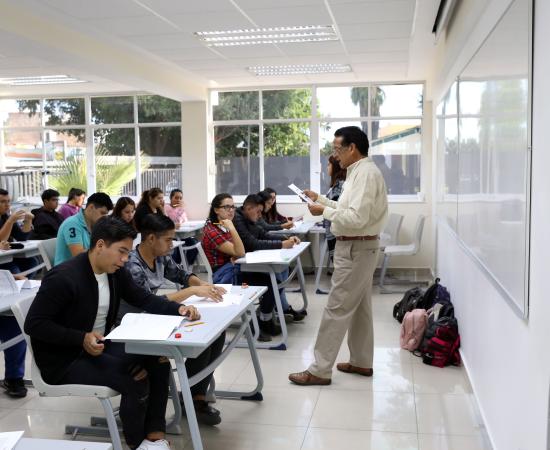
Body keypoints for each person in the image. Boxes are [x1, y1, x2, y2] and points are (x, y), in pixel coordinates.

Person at [25, 216, 199, 450]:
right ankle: (137, 444)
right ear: (100, 245)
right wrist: (81, 338)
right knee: (134, 378)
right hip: (66, 359)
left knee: (158, 359)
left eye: (127, 252)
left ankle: (155, 436)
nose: (125, 259)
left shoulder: (114, 271)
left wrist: (179, 309)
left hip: (100, 346)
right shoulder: (64, 277)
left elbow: (143, 298)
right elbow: (34, 324)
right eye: (122, 251)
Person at [289, 126, 388, 386]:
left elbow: (356, 218)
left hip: (356, 248)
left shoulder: (365, 174)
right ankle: (361, 361)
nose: (335, 155)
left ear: (352, 148)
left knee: (336, 308)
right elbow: (346, 208)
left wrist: (323, 211)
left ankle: (319, 370)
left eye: (337, 149)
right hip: (360, 247)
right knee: (360, 309)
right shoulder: (359, 172)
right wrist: (321, 200)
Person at [125, 214, 226, 425]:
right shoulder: (133, 265)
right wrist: (192, 291)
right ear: (151, 239)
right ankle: (192, 397)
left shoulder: (159, 255)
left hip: (153, 316)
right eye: (168, 239)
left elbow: (182, 275)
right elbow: (148, 302)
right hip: (133, 322)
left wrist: (204, 286)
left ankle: (195, 396)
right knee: (199, 337)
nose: (172, 244)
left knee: (214, 334)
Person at [233, 194, 302, 337]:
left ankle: (265, 317)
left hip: (247, 263)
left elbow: (264, 234)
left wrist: (286, 239)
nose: (260, 216)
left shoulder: (248, 217)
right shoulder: (238, 219)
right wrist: (282, 244)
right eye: (258, 212)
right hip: (236, 269)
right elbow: (252, 243)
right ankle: (264, 319)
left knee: (277, 280)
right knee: (273, 283)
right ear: (248, 208)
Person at [54, 192, 113, 265]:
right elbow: (79, 256)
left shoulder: (94, 224)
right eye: (102, 213)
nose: (104, 218)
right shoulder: (72, 224)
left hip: (85, 267)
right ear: (91, 207)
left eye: (106, 215)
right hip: (67, 269)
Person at [201, 193, 245, 284]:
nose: (231, 210)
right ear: (216, 210)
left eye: (233, 207)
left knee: (266, 275)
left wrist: (234, 255)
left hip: (230, 267)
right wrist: (232, 228)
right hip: (222, 274)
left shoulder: (222, 225)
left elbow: (237, 250)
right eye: (227, 207)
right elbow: (240, 252)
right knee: (266, 278)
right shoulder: (212, 231)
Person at [323, 155, 347, 262]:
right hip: (332, 230)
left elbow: (337, 207)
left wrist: (321, 209)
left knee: (339, 263)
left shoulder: (340, 184)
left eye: (329, 164)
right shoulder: (335, 184)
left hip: (336, 232)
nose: (327, 167)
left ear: (336, 166)